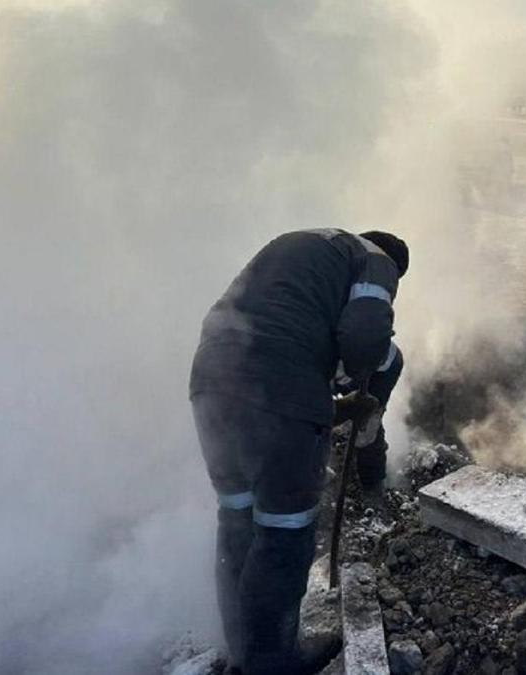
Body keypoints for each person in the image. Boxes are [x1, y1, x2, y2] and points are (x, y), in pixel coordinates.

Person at [189, 228, 407, 674]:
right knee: (283, 535)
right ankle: (270, 664)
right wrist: (363, 375)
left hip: (211, 382)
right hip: (277, 388)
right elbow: (365, 338)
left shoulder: (307, 250)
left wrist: (332, 403)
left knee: (236, 520)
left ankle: (243, 652)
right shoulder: (377, 260)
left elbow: (278, 332)